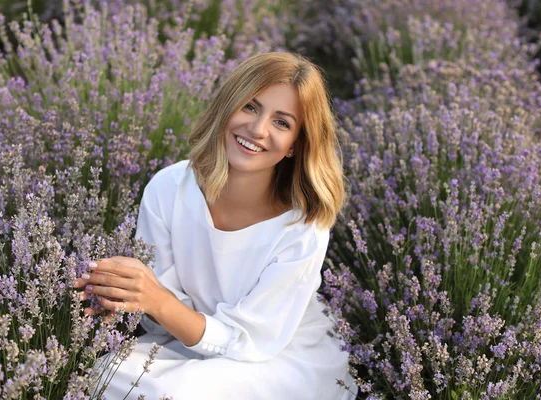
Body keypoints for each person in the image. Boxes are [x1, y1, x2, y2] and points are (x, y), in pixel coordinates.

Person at [75, 52, 358, 400]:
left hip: (274, 355)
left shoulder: (302, 226)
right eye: (250, 107)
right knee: (103, 377)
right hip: (183, 338)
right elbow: (155, 318)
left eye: (281, 123)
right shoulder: (169, 188)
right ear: (227, 107)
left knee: (176, 394)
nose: (258, 129)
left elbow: (251, 342)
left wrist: (156, 299)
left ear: (294, 146)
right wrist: (123, 290)